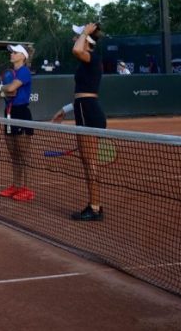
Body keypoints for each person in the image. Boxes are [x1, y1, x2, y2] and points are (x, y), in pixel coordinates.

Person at [70, 22, 107, 222]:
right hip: (85, 108)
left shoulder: (90, 57)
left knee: (90, 162)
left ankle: (94, 207)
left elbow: (76, 49)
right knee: (87, 161)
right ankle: (95, 204)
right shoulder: (88, 61)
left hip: (88, 112)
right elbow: (83, 92)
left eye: (78, 36)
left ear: (88, 41)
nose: (74, 39)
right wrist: (65, 109)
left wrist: (84, 33)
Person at [0, 44, 35, 202]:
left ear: (23, 56)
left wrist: (3, 89)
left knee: (23, 154)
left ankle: (27, 188)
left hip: (21, 113)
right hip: (8, 114)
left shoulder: (24, 71)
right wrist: (5, 89)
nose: (12, 54)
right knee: (14, 154)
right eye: (12, 52)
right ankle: (16, 185)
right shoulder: (8, 74)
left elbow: (11, 89)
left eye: (15, 52)